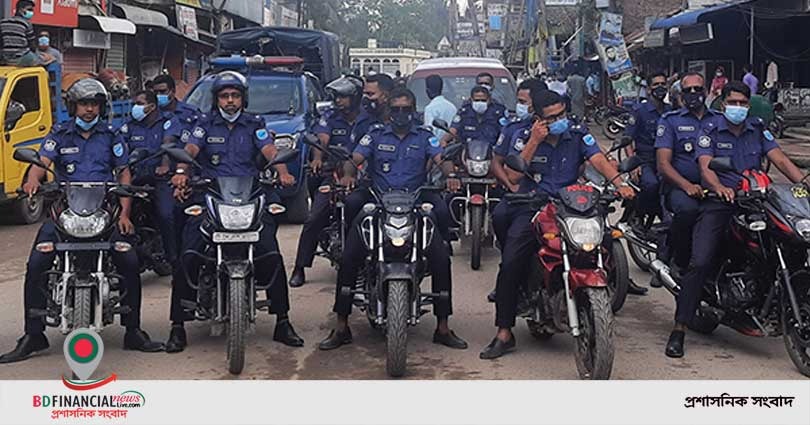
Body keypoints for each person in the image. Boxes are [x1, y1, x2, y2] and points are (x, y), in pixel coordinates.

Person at [0, 79, 165, 363]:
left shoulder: (112, 135)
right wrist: (32, 181)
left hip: (103, 212)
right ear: (73, 107)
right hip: (66, 212)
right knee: (37, 263)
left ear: (101, 107)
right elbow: (42, 162)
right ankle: (33, 334)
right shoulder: (60, 133)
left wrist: (125, 214)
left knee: (129, 260)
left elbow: (123, 173)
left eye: (94, 104)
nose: (89, 109)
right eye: (84, 104)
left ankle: (133, 331)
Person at [480, 90, 635, 360]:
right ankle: (504, 332)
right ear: (538, 118)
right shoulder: (524, 136)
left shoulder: (576, 133)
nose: (559, 120)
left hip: (572, 205)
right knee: (511, 262)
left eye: (561, 114)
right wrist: (534, 141)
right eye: (551, 118)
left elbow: (598, 159)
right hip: (532, 206)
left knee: (605, 241)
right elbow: (513, 176)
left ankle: (597, 301)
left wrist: (620, 184)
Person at [317, 87, 468, 351]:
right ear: (389, 112)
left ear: (413, 111)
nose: (400, 114)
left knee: (441, 256)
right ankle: (341, 326)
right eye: (396, 109)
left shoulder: (425, 136)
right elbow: (355, 158)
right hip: (378, 199)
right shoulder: (375, 134)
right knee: (350, 254)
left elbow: (440, 158)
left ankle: (443, 327)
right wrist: (349, 174)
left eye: (405, 109)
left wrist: (451, 175)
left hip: (416, 199)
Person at [164, 71, 303, 353]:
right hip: (211, 192)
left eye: (235, 96)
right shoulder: (204, 123)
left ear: (243, 99)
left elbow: (269, 150)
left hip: (249, 193)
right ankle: (178, 325)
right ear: (217, 99)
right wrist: (180, 172)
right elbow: (190, 150)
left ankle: (282, 321)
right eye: (225, 96)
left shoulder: (254, 123)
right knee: (190, 252)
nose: (230, 101)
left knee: (270, 252)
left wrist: (283, 172)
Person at [665, 81, 805, 358]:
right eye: (733, 102)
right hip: (722, 202)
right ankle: (679, 328)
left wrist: (804, 182)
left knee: (791, 243)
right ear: (723, 103)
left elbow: (780, 160)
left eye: (742, 103)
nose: (737, 107)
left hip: (757, 201)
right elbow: (705, 167)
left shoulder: (757, 129)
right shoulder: (710, 129)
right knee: (700, 261)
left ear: (748, 105)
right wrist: (719, 187)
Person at [288, 75, 364, 287]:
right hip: (333, 174)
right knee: (315, 217)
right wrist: (318, 159)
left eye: (343, 97)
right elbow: (322, 138)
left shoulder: (369, 119)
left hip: (363, 177)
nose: (338, 100)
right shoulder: (329, 117)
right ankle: (300, 267)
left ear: (355, 97)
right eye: (337, 97)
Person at [654, 72, 719, 283]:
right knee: (688, 211)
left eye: (697, 89)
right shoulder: (670, 121)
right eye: (688, 90)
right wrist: (686, 185)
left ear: (706, 91)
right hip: (680, 187)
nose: (693, 93)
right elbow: (663, 164)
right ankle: (677, 257)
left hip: (715, 185)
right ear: (681, 94)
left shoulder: (719, 120)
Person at [487, 78, 545, 303]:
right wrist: (509, 184)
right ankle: (509, 279)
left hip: (556, 198)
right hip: (520, 197)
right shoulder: (514, 129)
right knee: (501, 218)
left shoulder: (565, 129)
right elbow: (497, 161)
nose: (519, 106)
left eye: (523, 101)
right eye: (518, 101)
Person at [623, 70, 672, 296]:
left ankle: (663, 264)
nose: (660, 87)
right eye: (656, 84)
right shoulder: (640, 111)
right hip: (646, 161)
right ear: (649, 88)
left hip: (667, 163)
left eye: (663, 84)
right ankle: (639, 216)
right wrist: (633, 163)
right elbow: (628, 139)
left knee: (671, 214)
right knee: (651, 186)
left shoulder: (671, 111)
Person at [119, 90, 181, 264]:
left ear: (152, 106)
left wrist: (165, 165)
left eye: (139, 104)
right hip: (135, 176)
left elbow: (169, 144)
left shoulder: (168, 121)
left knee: (166, 214)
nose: (135, 108)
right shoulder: (129, 125)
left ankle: (173, 259)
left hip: (159, 176)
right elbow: (119, 147)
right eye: (134, 104)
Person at [441, 85, 505, 146]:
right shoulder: (464, 112)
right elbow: (453, 129)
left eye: (483, 100)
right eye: (477, 100)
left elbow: (505, 131)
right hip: (467, 149)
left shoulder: (497, 113)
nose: (480, 102)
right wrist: (444, 140)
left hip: (491, 149)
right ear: (471, 99)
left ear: (489, 100)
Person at [0, 0, 39, 66]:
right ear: (20, 10)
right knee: (41, 59)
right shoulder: (27, 23)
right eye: (29, 10)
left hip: (4, 58)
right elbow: (32, 44)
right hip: (21, 58)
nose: (31, 12)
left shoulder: (3, 22)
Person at [423, 74, 457, 139]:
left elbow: (429, 132)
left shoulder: (430, 108)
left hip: (436, 143)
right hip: (451, 142)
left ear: (427, 91)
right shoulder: (452, 107)